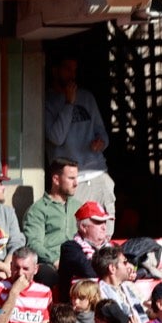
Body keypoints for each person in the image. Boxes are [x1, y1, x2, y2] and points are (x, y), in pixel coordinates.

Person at [46, 55, 115, 208]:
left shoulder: (87, 97)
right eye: (67, 69)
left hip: (99, 175)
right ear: (55, 71)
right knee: (77, 231)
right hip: (73, 181)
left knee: (105, 230)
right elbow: (56, 138)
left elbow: (102, 132)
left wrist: (101, 142)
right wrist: (69, 103)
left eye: (74, 70)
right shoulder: (48, 102)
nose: (72, 74)